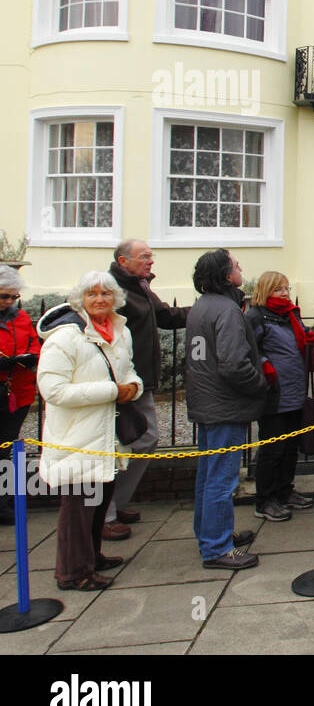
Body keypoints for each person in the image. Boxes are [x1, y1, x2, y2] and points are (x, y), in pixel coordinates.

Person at [36, 272, 142, 591]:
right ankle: (72, 572)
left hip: (106, 435)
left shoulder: (119, 331)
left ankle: (92, 558)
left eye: (105, 294)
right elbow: (52, 390)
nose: (99, 300)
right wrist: (112, 391)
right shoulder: (66, 337)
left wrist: (133, 388)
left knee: (98, 499)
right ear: (80, 299)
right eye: (92, 294)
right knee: (78, 509)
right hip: (76, 438)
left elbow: (128, 370)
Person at [102, 241, 189, 542]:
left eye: (152, 256)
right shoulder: (111, 290)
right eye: (145, 257)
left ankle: (114, 505)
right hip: (123, 384)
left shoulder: (140, 287)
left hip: (142, 381)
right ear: (123, 260)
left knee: (145, 439)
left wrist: (203, 309)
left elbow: (166, 316)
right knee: (118, 445)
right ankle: (105, 513)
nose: (151, 261)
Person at [185, 249, 267, 571]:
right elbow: (234, 364)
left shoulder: (201, 305)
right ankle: (217, 547)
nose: (240, 269)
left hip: (206, 404)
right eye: (235, 266)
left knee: (208, 475)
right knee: (221, 478)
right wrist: (259, 383)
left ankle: (210, 534)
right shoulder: (229, 310)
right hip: (224, 407)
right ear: (224, 275)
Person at [246, 271, 314, 522]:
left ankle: (285, 491)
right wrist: (265, 365)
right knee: (272, 448)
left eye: (286, 288)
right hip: (274, 393)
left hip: (295, 389)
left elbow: (296, 342)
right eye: (279, 289)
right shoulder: (256, 316)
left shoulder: (290, 314)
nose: (285, 293)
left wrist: (309, 339)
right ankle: (265, 500)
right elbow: (249, 349)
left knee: (290, 447)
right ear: (266, 290)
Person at [0, 266, 40, 526]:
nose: (9, 302)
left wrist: (28, 358)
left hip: (18, 393)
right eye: (4, 296)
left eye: (13, 297)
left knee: (7, 448)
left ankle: (5, 501)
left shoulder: (22, 318)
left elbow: (34, 346)